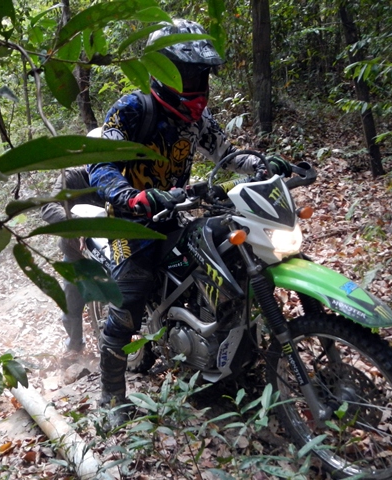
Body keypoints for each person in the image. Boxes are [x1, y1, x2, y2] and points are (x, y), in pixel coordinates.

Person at [87, 19, 292, 425]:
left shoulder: (197, 120)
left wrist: (262, 165)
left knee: (229, 248)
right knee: (130, 296)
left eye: (202, 76)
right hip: (129, 221)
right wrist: (129, 195)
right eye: (188, 75)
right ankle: (111, 396)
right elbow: (100, 162)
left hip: (174, 211)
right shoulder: (132, 109)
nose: (198, 84)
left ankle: (220, 344)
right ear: (162, 72)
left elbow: (227, 155)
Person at [41, 166, 104, 352]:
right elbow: (49, 207)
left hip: (115, 250)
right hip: (78, 253)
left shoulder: (119, 175)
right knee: (71, 304)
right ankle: (74, 345)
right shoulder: (72, 177)